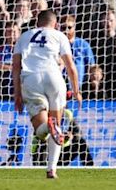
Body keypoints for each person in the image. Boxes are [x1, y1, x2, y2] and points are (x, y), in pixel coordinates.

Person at [12, 10, 81, 179]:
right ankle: (52, 170)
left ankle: (48, 126)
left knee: (41, 131)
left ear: (37, 22)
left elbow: (15, 67)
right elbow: (70, 66)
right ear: (55, 24)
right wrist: (77, 91)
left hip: (31, 78)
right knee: (56, 125)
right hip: (54, 77)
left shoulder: (24, 36)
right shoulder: (59, 36)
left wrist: (17, 94)